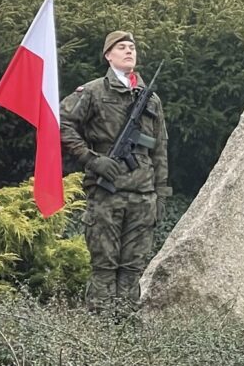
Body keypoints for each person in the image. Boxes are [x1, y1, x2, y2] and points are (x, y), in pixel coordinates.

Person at [60, 30, 171, 309]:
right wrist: (91, 158)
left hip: (143, 195)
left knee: (132, 269)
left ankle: (125, 329)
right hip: (106, 193)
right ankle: (101, 333)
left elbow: (159, 148)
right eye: (121, 47)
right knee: (104, 266)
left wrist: (160, 194)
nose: (128, 51)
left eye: (132, 47)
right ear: (108, 55)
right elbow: (62, 123)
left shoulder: (150, 99)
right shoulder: (94, 91)